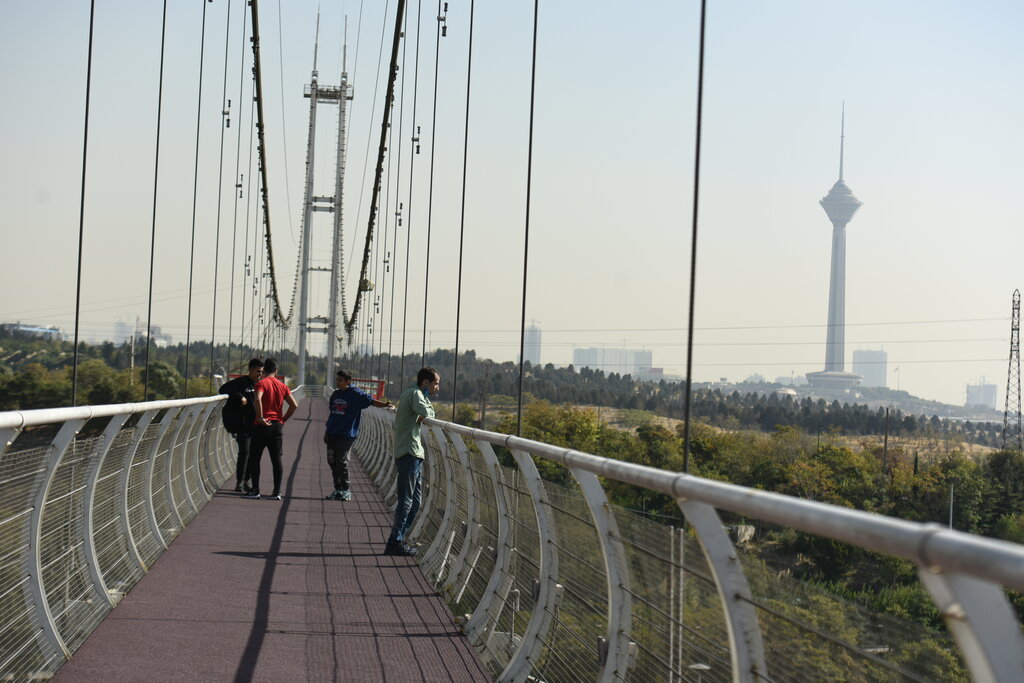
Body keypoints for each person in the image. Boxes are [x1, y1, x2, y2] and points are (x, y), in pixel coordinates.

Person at [383, 367, 439, 556]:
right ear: (425, 382)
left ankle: (398, 539)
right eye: (436, 383)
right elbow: (429, 414)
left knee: (415, 503)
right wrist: (428, 406)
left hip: (411, 452)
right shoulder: (415, 394)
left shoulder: (411, 393)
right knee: (407, 501)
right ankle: (394, 543)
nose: (437, 388)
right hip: (409, 452)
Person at [324, 369, 394, 501]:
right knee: (332, 461)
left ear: (348, 381)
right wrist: (327, 431)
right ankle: (338, 489)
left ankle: (346, 490)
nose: (337, 382)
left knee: (341, 461)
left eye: (340, 380)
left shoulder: (355, 393)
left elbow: (371, 401)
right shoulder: (335, 394)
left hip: (346, 434)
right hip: (332, 432)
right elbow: (332, 413)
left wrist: (386, 404)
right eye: (337, 379)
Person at [243, 357, 298, 501]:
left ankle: (255, 490)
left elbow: (258, 399)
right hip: (276, 426)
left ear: (264, 370)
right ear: (276, 370)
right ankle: (277, 492)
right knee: (276, 459)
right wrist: (283, 420)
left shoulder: (261, 383)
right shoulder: (282, 386)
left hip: (261, 426)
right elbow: (294, 405)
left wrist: (260, 417)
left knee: (255, 458)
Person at [218, 358, 263, 492]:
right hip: (243, 425)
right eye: (258, 371)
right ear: (250, 370)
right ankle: (240, 482)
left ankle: (246, 480)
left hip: (256, 425)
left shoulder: (260, 385)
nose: (260, 374)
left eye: (261, 372)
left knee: (253, 454)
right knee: (244, 452)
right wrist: (239, 396)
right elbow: (223, 389)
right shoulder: (241, 382)